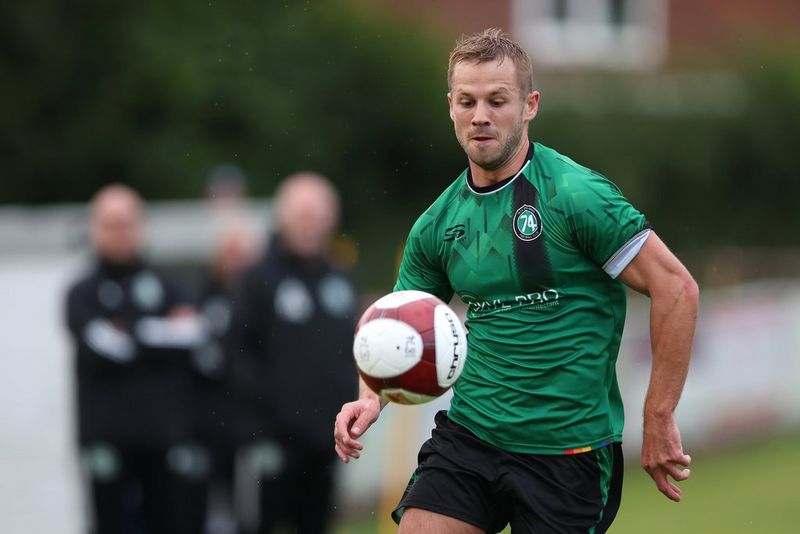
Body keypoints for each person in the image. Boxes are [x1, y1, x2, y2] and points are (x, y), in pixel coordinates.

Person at [333, 28, 699, 534]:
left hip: (568, 452)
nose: (480, 115)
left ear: (529, 105)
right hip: (472, 435)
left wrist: (658, 416)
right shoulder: (437, 225)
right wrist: (369, 395)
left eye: (496, 100)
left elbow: (677, 289)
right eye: (467, 101)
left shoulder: (576, 195)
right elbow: (393, 325)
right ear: (452, 107)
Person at [65, 184, 212, 534]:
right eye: (111, 223)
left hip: (163, 436)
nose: (120, 232)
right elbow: (104, 348)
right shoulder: (81, 292)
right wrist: (160, 330)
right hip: (106, 439)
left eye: (127, 223)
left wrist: (130, 330)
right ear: (94, 229)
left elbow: (195, 333)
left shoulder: (169, 283)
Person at [228, 172, 359, 534]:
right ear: (282, 217)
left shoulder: (342, 279)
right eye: (303, 214)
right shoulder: (257, 279)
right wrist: (271, 412)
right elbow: (237, 352)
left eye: (319, 215)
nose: (311, 223)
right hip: (270, 438)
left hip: (326, 439)